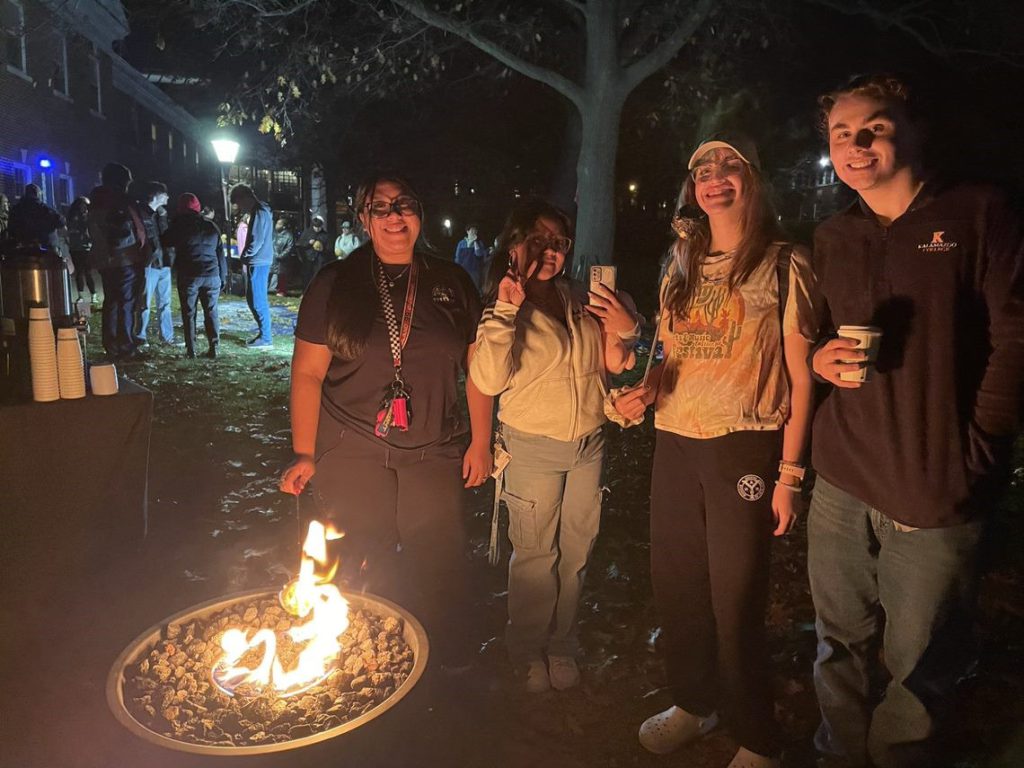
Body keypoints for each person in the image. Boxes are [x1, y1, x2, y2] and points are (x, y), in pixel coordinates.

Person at [806, 75, 1024, 768]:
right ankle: (839, 753)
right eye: (841, 134)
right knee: (836, 644)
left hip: (934, 488)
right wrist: (818, 359)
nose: (856, 143)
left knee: (919, 671)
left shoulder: (978, 213)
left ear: (913, 129)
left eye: (874, 126)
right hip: (842, 479)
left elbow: (1016, 339)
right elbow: (815, 336)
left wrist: (980, 447)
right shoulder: (834, 235)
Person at [614, 135, 820, 768]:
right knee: (676, 583)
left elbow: (802, 374)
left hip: (745, 445)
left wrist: (789, 474)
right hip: (676, 439)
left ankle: (758, 735)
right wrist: (646, 388)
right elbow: (670, 352)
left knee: (737, 596)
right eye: (703, 168)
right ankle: (694, 702)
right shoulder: (682, 259)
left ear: (754, 179)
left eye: (731, 166)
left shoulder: (786, 263)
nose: (715, 178)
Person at [279, 174, 493, 669]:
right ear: (364, 219)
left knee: (436, 560)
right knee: (360, 555)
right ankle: (361, 662)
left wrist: (481, 440)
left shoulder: (452, 282)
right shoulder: (335, 284)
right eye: (381, 208)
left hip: (434, 449)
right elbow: (308, 373)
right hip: (351, 446)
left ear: (419, 214)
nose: (395, 216)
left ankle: (433, 661)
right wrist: (305, 452)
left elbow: (479, 372)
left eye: (405, 205)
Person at [470, 199, 638, 692]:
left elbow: (614, 363)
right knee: (535, 556)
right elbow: (487, 377)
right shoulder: (503, 308)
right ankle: (525, 648)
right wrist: (505, 310)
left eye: (558, 243)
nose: (548, 251)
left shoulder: (578, 298)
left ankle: (563, 642)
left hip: (588, 445)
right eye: (537, 240)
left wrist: (626, 327)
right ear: (514, 245)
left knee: (577, 551)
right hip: (533, 448)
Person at [88, 163, 148, 361]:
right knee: (127, 303)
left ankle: (111, 344)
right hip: (126, 259)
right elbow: (134, 230)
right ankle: (126, 345)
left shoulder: (96, 201)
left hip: (106, 261)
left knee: (111, 302)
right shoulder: (122, 201)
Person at [163, 193, 226, 360]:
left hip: (190, 274)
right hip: (212, 274)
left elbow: (165, 240)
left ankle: (191, 350)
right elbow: (220, 253)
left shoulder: (180, 226)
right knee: (211, 311)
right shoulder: (211, 226)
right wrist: (223, 276)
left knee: (189, 313)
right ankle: (214, 346)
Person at [230, 184, 274, 347]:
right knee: (253, 298)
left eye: (239, 203)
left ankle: (266, 337)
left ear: (244, 198)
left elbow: (257, 240)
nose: (240, 208)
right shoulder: (260, 211)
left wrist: (244, 255)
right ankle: (264, 334)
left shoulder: (259, 212)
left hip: (258, 260)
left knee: (257, 299)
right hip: (257, 260)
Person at [134, 181, 175, 347]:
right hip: (150, 263)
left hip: (164, 262)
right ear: (157, 195)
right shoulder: (142, 213)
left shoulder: (160, 214)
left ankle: (166, 336)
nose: (168, 197)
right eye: (165, 194)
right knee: (145, 302)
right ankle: (140, 336)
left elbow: (166, 236)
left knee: (165, 302)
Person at [8, 184, 64, 250]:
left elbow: (11, 228)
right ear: (37, 194)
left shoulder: (16, 209)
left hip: (22, 247)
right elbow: (60, 221)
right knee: (56, 256)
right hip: (45, 247)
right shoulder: (44, 208)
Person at [66, 197, 97, 305]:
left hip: (85, 247)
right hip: (77, 248)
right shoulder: (74, 217)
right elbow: (70, 230)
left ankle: (93, 294)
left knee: (87, 272)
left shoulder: (88, 217)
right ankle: (81, 295)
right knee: (80, 272)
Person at [297, 215, 330, 290]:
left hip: (319, 259)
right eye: (316, 227)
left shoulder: (324, 235)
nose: (317, 229)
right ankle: (305, 291)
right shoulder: (307, 232)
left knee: (318, 276)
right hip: (308, 258)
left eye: (319, 227)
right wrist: (308, 243)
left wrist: (323, 249)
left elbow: (329, 248)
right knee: (307, 276)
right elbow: (300, 244)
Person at [454, 225, 489, 289]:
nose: (474, 232)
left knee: (474, 289)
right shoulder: (461, 243)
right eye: (472, 230)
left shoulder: (479, 243)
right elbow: (457, 257)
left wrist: (475, 242)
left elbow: (479, 254)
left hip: (474, 271)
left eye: (475, 231)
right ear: (467, 231)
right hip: (463, 270)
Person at [271, 217, 294, 294]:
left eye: (279, 224)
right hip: (272, 258)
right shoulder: (274, 234)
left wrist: (280, 256)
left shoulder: (289, 236)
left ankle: (281, 291)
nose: (276, 225)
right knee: (271, 274)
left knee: (281, 275)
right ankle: (271, 289)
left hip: (282, 260)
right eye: (277, 223)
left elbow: (289, 248)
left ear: (284, 226)